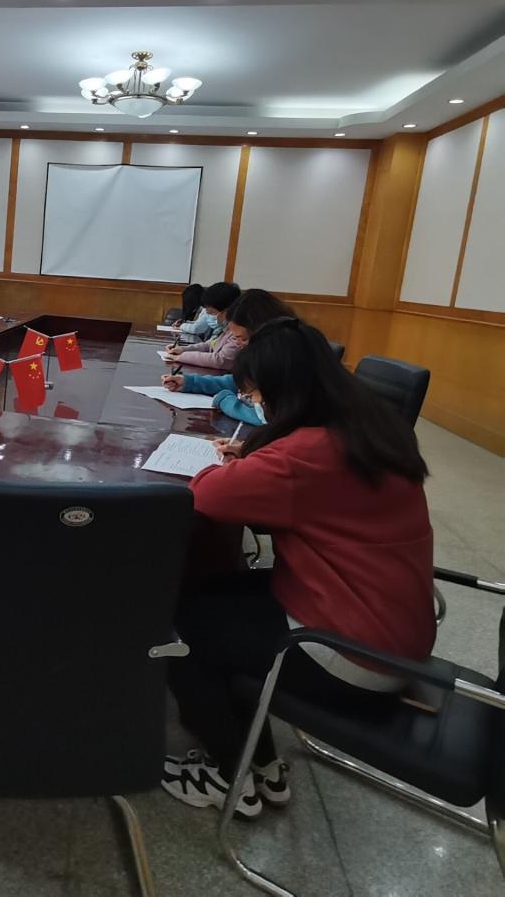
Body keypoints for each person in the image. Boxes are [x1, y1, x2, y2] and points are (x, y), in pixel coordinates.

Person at [160, 319, 434, 819]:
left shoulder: (307, 454)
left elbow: (207, 495)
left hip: (353, 652)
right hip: (394, 629)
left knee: (178, 621)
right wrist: (260, 457)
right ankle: (260, 763)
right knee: (213, 594)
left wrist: (244, 463)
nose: (257, 404)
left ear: (284, 392)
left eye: (257, 394)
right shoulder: (372, 430)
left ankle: (227, 777)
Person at [161, 289, 296, 425]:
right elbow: (241, 382)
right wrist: (191, 382)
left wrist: (225, 400)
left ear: (263, 332)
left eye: (242, 339)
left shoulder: (285, 359)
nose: (238, 344)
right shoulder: (264, 355)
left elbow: (266, 417)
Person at [164, 281, 242, 371]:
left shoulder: (238, 333)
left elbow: (220, 360)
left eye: (212, 313)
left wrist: (181, 357)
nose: (209, 316)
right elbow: (209, 345)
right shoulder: (225, 328)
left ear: (228, 310)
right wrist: (182, 349)